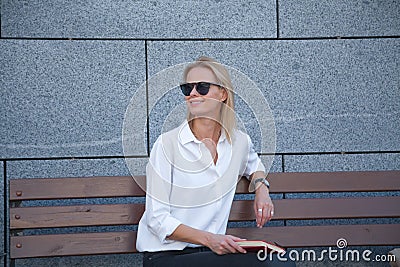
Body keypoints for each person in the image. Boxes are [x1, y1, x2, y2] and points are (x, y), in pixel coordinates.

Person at [136, 56, 295, 267]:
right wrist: (211, 239)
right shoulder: (167, 144)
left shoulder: (239, 142)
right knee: (275, 265)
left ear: (222, 94)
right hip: (167, 256)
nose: (192, 93)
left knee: (279, 260)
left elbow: (255, 166)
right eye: (187, 88)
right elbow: (157, 219)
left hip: (213, 253)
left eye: (202, 87)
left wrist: (262, 190)